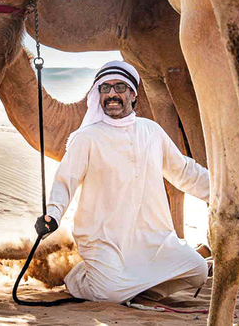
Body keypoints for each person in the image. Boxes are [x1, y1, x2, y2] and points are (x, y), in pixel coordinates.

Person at [34, 61, 211, 303]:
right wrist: (52, 215)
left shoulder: (151, 131)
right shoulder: (87, 138)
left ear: (133, 93)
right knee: (110, 293)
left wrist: (221, 190)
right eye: (105, 89)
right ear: (98, 95)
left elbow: (183, 171)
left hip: (151, 237)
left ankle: (140, 288)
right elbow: (66, 181)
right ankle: (79, 278)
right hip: (104, 239)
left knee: (198, 270)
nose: (112, 94)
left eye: (119, 87)